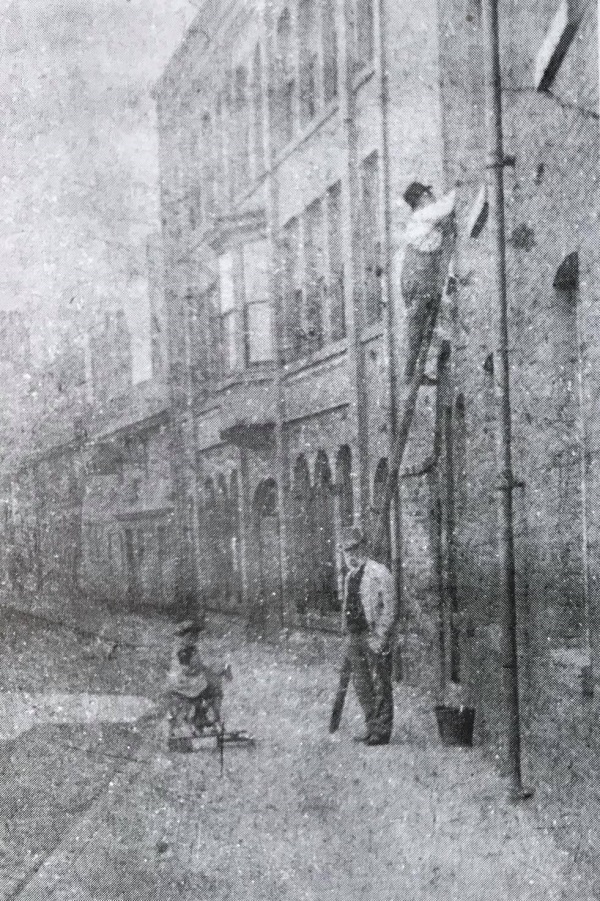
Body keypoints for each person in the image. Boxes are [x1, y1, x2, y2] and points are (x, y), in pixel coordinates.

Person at [341, 526, 395, 746]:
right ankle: (371, 726)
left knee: (380, 682)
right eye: (346, 551)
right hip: (354, 636)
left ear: (363, 547)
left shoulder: (379, 572)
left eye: (354, 549)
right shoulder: (350, 576)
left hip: (372, 635)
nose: (351, 555)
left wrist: (381, 635)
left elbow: (390, 607)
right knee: (362, 684)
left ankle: (382, 731)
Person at [399, 181, 457, 381]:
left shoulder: (425, 220)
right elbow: (448, 205)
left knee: (428, 323)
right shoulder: (422, 215)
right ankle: (409, 372)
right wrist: (460, 188)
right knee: (417, 324)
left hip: (421, 276)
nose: (432, 196)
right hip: (418, 277)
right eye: (429, 194)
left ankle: (419, 370)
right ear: (423, 197)